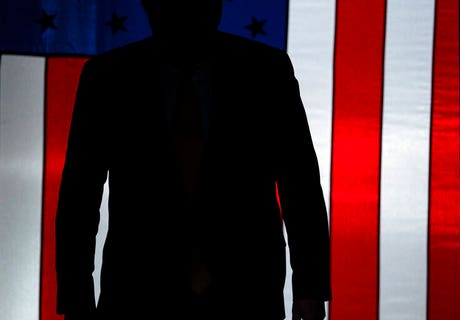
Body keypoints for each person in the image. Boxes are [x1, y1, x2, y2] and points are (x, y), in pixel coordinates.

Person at [55, 0, 331, 319]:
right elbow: (79, 198)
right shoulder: (107, 80)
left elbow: (300, 187)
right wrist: (76, 300)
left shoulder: (267, 74)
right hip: (141, 297)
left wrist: (310, 287)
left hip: (244, 297)